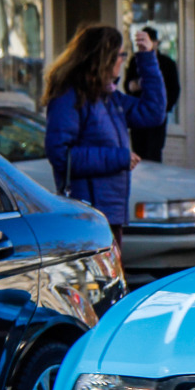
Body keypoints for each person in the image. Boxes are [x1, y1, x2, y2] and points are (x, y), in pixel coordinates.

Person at [43, 24, 167, 253]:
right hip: (88, 215)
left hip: (111, 213)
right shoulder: (70, 96)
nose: (123, 60)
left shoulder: (111, 98)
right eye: (121, 55)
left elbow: (154, 112)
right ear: (105, 58)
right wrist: (118, 158)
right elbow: (60, 154)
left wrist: (147, 58)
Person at [125, 26, 179, 162]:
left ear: (156, 42)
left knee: (154, 150)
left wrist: (163, 108)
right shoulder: (134, 61)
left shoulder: (167, 64)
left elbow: (174, 89)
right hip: (139, 114)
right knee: (139, 150)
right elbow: (128, 85)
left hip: (157, 117)